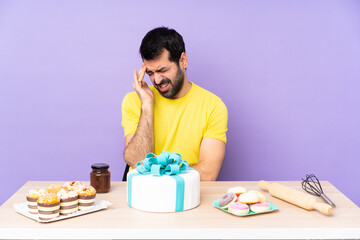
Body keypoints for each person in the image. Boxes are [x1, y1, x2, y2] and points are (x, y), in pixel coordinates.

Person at [121, 27, 228, 180]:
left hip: (186, 197)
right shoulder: (134, 100)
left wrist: (158, 176)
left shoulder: (213, 106)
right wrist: (146, 106)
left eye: (162, 70)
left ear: (183, 60)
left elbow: (208, 174)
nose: (157, 80)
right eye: (150, 73)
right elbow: (137, 161)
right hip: (143, 197)